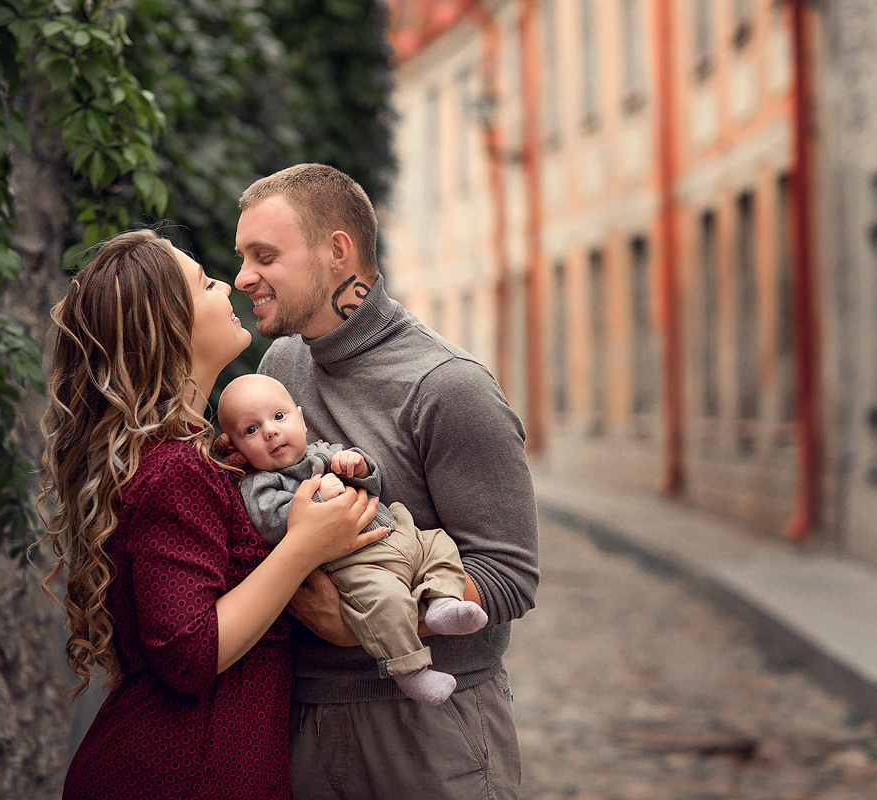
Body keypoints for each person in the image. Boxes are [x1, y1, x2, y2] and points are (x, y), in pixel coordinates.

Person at [35, 229, 386, 800]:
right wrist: (303, 546)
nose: (227, 283)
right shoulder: (175, 466)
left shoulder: (196, 452)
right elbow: (189, 652)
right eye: (204, 282)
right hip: (183, 769)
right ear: (170, 325)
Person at [234, 164, 540, 799]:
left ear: (337, 251)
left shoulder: (449, 387)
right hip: (302, 721)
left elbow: (510, 575)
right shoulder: (278, 369)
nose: (243, 278)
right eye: (242, 258)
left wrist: (361, 623)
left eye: (265, 256)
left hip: (430, 734)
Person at [216, 373, 489, 706]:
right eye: (251, 430)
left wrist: (358, 466)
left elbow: (374, 483)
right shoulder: (260, 485)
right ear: (237, 448)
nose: (270, 431)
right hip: (356, 564)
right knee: (385, 603)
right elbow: (272, 523)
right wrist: (319, 500)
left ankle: (442, 601)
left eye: (278, 417)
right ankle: (410, 670)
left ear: (301, 420)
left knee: (439, 543)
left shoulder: (323, 453)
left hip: (398, 534)